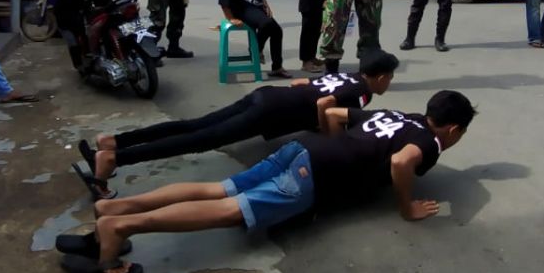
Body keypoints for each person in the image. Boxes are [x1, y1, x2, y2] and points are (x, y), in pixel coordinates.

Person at [59, 90, 475, 273]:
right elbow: (403, 163)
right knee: (230, 211)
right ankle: (122, 229)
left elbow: (334, 114)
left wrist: (347, 155)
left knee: (218, 190)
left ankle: (117, 209)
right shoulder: (428, 143)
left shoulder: (398, 114)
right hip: (310, 176)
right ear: (453, 129)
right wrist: (406, 206)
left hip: (303, 148)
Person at [76, 49, 400, 199]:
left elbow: (303, 85)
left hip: (266, 96)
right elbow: (325, 105)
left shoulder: (346, 75)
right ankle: (114, 159)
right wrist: (332, 137)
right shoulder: (363, 93)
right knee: (199, 140)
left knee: (193, 126)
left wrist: (310, 119)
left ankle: (114, 142)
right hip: (268, 113)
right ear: (382, 77)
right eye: (391, 78)